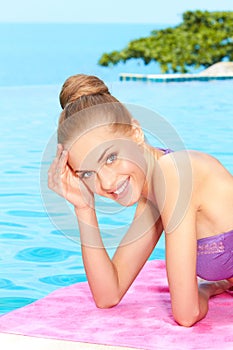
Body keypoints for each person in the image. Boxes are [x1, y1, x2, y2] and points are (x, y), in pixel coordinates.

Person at [48, 74, 233, 327]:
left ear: (135, 133)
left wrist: (207, 290)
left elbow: (186, 314)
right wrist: (83, 207)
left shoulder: (173, 173)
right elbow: (108, 295)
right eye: (88, 174)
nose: (107, 184)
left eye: (110, 157)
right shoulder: (152, 196)